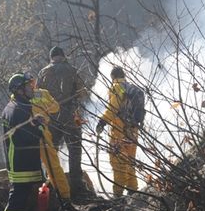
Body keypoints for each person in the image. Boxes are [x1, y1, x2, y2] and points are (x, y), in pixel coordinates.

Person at [0, 72, 44, 211]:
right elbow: (23, 138)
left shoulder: (16, 105)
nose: (32, 88)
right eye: (27, 86)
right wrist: (39, 129)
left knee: (19, 197)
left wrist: (34, 122)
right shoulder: (18, 109)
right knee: (17, 198)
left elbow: (21, 130)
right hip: (20, 161)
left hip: (19, 160)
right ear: (19, 90)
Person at [37, 46, 88, 197]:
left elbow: (37, 95)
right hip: (71, 116)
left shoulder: (43, 72)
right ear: (63, 56)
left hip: (51, 118)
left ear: (51, 57)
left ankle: (52, 184)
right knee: (74, 149)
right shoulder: (72, 70)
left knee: (52, 152)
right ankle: (77, 185)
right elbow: (83, 92)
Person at [26, 73, 72, 204]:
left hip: (27, 135)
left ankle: (51, 196)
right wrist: (44, 107)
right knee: (53, 166)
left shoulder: (18, 96)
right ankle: (63, 196)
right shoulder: (43, 93)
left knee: (37, 167)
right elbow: (55, 107)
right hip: (41, 133)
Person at [95, 66, 139, 196]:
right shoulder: (130, 87)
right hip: (133, 130)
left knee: (118, 162)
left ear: (113, 77)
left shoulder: (117, 87)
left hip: (119, 131)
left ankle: (118, 195)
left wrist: (102, 121)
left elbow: (113, 108)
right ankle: (133, 192)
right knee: (130, 162)